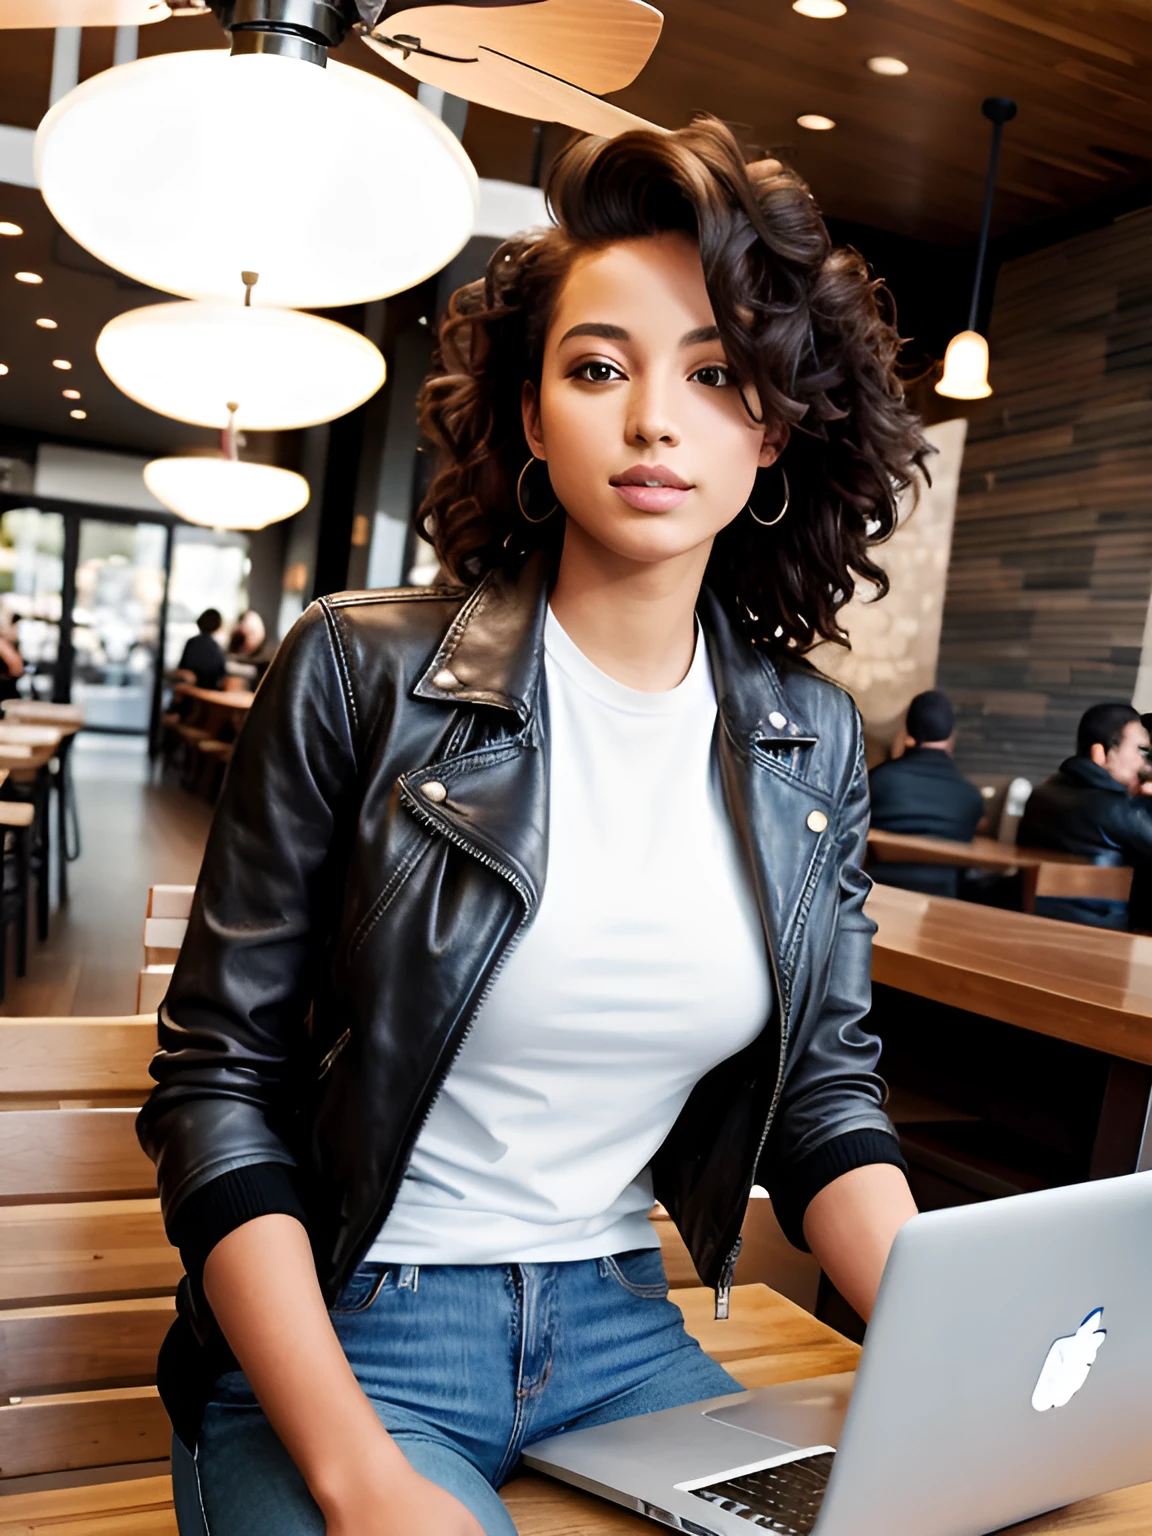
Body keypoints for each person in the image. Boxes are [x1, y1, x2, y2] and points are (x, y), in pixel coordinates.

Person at [138, 118, 928, 1536]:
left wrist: (954, 1348)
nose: (652, 422)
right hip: (346, 1338)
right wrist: (357, 1471)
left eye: (716, 374)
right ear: (528, 416)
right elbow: (218, 1091)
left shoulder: (810, 743)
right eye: (598, 368)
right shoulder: (355, 667)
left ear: (777, 425)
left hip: (623, 1333)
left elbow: (824, 1103)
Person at [1018, 701, 1152, 928]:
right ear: (1100, 753)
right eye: (1141, 751)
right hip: (1096, 935)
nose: (1145, 763)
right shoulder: (1113, 808)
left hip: (1027, 921)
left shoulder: (1044, 791)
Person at [868, 689, 985, 898]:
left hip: (875, 896)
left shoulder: (877, 780)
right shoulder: (971, 798)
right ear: (950, 734)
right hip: (942, 903)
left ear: (908, 730)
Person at [173, 609, 226, 692]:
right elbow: (221, 674)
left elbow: (182, 667)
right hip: (206, 693)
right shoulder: (216, 648)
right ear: (218, 625)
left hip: (187, 691)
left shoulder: (191, 642)